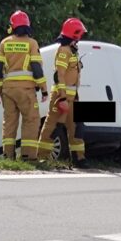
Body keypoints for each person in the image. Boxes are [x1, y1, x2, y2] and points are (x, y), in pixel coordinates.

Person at [0, 10, 48, 161]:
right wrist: (44, 89)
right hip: (26, 90)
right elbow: (36, 68)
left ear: (12, 26)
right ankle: (28, 156)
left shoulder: (4, 43)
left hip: (8, 91)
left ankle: (8, 156)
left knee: (9, 123)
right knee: (31, 121)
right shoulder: (32, 43)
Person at [37, 17, 89, 168]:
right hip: (61, 96)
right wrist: (62, 98)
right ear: (75, 34)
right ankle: (42, 157)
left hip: (73, 97)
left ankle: (79, 158)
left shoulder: (72, 52)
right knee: (52, 126)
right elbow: (59, 75)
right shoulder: (64, 51)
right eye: (79, 35)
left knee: (76, 128)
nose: (80, 38)